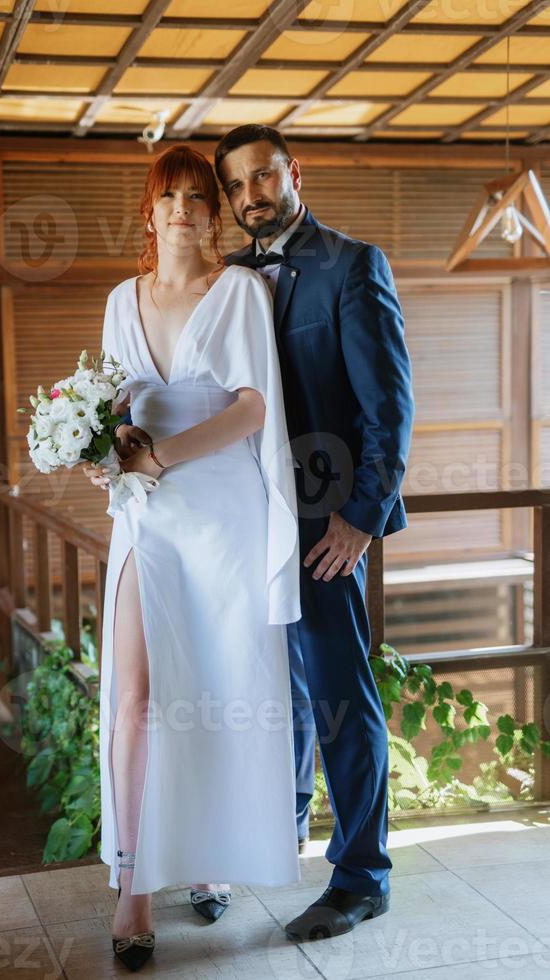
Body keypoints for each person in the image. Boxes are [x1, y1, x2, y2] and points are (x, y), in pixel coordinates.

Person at [84, 143, 302, 971]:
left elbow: (253, 409)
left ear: (214, 214)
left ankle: (210, 861)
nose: (182, 208)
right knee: (135, 701)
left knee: (217, 694)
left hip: (225, 520)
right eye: (167, 195)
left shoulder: (239, 291)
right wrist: (94, 441)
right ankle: (133, 885)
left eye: (196, 196)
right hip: (147, 521)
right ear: (149, 211)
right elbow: (111, 403)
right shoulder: (119, 300)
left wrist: (165, 456)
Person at [209, 124, 415, 942]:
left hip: (325, 527)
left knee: (336, 691)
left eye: (262, 177)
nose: (250, 195)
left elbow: (388, 407)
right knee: (270, 690)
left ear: (293, 173)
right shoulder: (227, 279)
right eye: (235, 186)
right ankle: (270, 834)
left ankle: (362, 875)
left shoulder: (352, 264)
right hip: (246, 525)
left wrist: (360, 520)